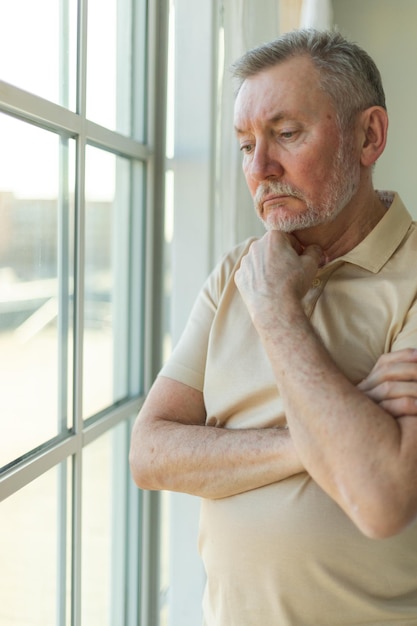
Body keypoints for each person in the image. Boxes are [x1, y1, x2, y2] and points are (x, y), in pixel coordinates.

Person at [129, 29, 417, 625]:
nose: (260, 168)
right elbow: (150, 452)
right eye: (244, 144)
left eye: (287, 134)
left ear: (370, 136)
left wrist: (277, 313)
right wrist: (319, 439)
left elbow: (381, 499)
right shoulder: (237, 270)